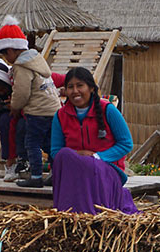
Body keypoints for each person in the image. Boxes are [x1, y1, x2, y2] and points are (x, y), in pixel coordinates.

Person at [50, 67, 139, 214]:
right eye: (70, 87)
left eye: (80, 86)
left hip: (108, 169)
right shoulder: (60, 116)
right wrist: (78, 155)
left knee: (76, 160)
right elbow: (55, 151)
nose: (75, 91)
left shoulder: (107, 110)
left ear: (91, 88)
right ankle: (68, 213)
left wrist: (97, 157)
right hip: (76, 170)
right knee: (64, 155)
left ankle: (89, 212)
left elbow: (126, 143)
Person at [0, 16, 61, 188]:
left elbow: (21, 92)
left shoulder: (21, 66)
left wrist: (15, 107)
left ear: (10, 50)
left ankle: (36, 176)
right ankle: (56, 174)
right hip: (53, 110)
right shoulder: (36, 60)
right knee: (49, 143)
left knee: (32, 144)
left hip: (37, 112)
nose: (6, 59)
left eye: (4, 54)